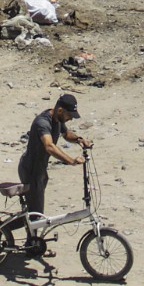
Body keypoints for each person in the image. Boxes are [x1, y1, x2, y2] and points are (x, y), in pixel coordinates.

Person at [17, 93, 91, 252]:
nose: (70, 118)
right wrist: (70, 161)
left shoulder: (58, 120)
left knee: (35, 210)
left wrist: (79, 139)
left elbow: (66, 134)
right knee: (35, 212)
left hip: (40, 170)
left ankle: (33, 242)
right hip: (31, 170)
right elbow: (49, 146)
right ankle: (23, 241)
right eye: (69, 115)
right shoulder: (42, 122)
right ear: (60, 110)